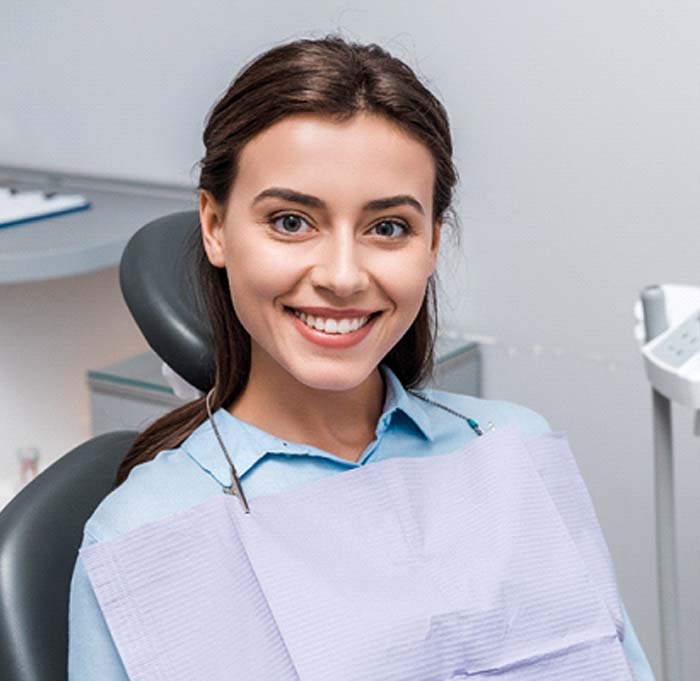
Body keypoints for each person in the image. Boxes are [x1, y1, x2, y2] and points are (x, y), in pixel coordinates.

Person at [68, 34, 654, 679]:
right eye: (291, 221)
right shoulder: (146, 530)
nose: (343, 276)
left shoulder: (510, 448)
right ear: (214, 227)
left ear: (433, 244)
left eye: (388, 227)